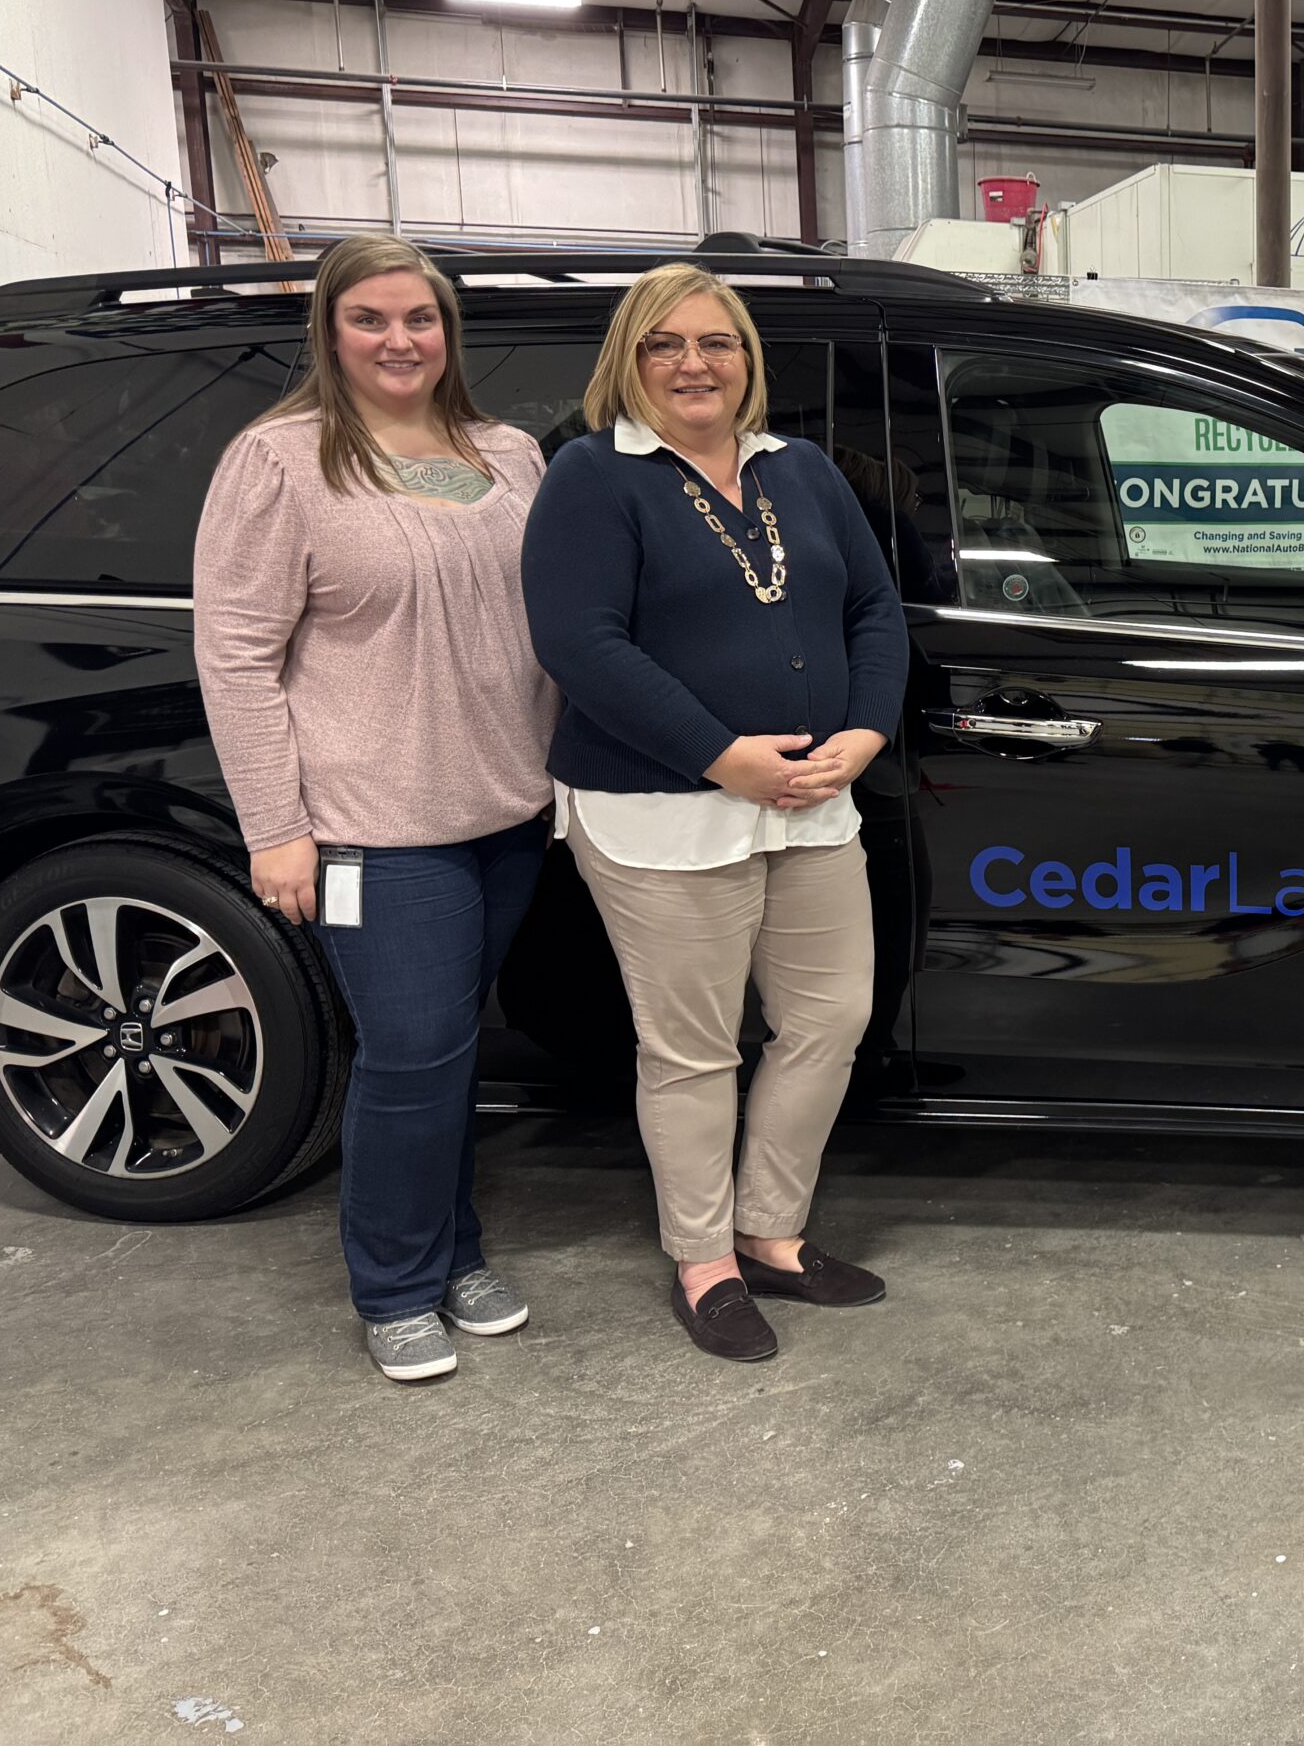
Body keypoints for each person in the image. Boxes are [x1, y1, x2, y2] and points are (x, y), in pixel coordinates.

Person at [521, 265, 907, 1364]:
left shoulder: (804, 471)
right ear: (627, 364)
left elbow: (873, 608)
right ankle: (704, 1262)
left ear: (748, 359)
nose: (694, 363)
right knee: (691, 1052)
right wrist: (720, 756)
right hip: (661, 811)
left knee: (829, 1021)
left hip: (814, 805)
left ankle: (773, 1234)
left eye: (717, 342)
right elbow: (580, 644)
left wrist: (866, 731)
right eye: (664, 345)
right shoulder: (593, 479)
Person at [194, 233, 559, 1384]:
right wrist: (276, 827)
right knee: (407, 1056)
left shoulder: (504, 455)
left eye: (421, 319)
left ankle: (454, 1253)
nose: (400, 340)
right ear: (331, 332)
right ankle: (396, 1284)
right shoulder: (281, 461)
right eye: (371, 319)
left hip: (506, 809)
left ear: (449, 333)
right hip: (371, 823)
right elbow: (238, 657)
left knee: (450, 1054)